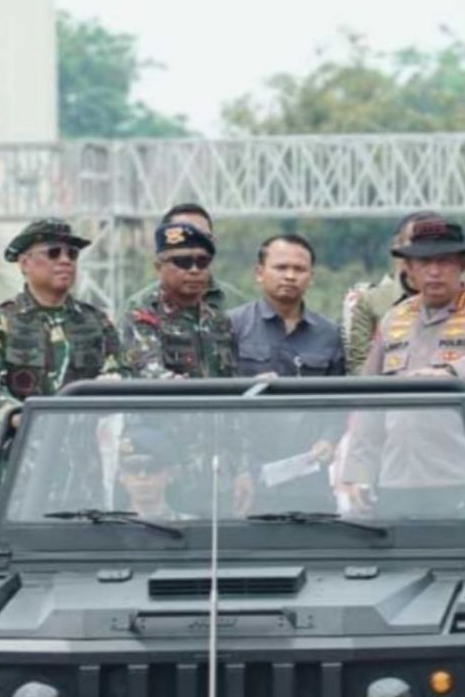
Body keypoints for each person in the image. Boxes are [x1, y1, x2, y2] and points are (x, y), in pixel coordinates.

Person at [0, 218, 124, 432]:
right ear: (24, 264)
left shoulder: (97, 322)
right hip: (24, 454)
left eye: (72, 254)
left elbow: (121, 375)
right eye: (53, 253)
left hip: (82, 453)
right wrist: (19, 417)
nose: (65, 260)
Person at [229, 234, 344, 511]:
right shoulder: (233, 326)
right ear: (259, 273)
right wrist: (238, 467)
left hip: (309, 476)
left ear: (311, 277)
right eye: (281, 268)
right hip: (247, 476)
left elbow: (341, 398)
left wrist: (329, 439)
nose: (290, 276)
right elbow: (219, 404)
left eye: (299, 269)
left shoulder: (329, 333)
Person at [360, 216, 465, 389]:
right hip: (397, 416)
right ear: (409, 268)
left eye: (444, 261)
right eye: (424, 262)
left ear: (463, 265)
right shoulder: (392, 319)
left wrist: (450, 375)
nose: (434, 271)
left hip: (458, 415)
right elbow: (368, 388)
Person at [120, 222, 238, 379]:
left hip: (218, 403)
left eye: (202, 262)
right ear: (159, 267)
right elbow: (149, 374)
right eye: (183, 262)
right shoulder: (143, 317)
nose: (194, 270)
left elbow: (233, 376)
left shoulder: (218, 319)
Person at [341, 211, 437, 374]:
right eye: (416, 242)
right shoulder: (370, 301)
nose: (424, 251)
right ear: (398, 249)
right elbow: (359, 366)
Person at [124, 203, 247, 312]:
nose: (194, 243)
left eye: (203, 238)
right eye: (185, 235)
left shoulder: (237, 304)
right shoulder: (140, 308)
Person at [116, 427, 190, 519]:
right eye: (133, 468)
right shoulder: (107, 530)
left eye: (152, 468)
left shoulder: (195, 527)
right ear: (121, 475)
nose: (142, 476)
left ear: (171, 474)